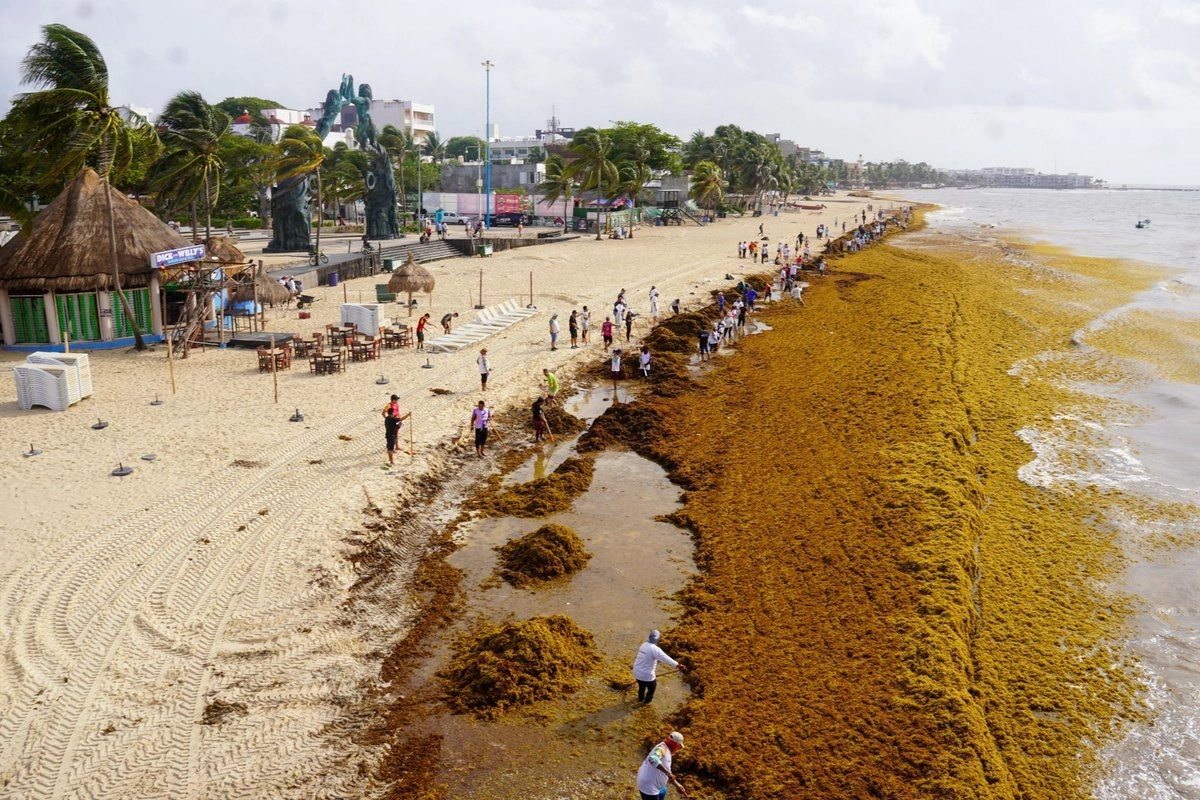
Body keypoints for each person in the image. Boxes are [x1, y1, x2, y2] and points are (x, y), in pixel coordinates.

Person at [633, 630, 686, 704]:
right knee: (651, 689)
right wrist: (678, 665)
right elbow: (666, 658)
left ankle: (640, 699)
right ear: (658, 639)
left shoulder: (643, 645)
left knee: (641, 687)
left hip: (637, 673)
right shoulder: (655, 649)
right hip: (647, 675)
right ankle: (646, 704)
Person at [636, 732, 687, 800]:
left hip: (654, 784)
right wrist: (667, 773)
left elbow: (668, 773)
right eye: (679, 746)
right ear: (675, 744)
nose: (678, 749)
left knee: (663, 791)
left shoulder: (667, 750)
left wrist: (678, 785)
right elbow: (653, 758)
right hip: (649, 787)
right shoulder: (662, 749)